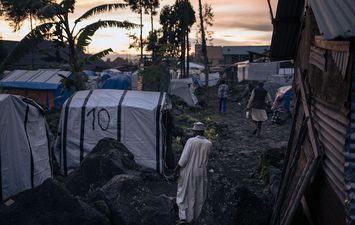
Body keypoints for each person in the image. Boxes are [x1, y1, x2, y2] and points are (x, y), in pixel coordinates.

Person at [174, 122, 212, 224]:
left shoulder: (191, 141)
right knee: (199, 195)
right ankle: (194, 218)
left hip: (189, 171)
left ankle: (183, 218)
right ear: (203, 131)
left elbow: (184, 159)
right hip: (202, 172)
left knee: (185, 194)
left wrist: (176, 169)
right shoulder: (209, 143)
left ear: (194, 132)